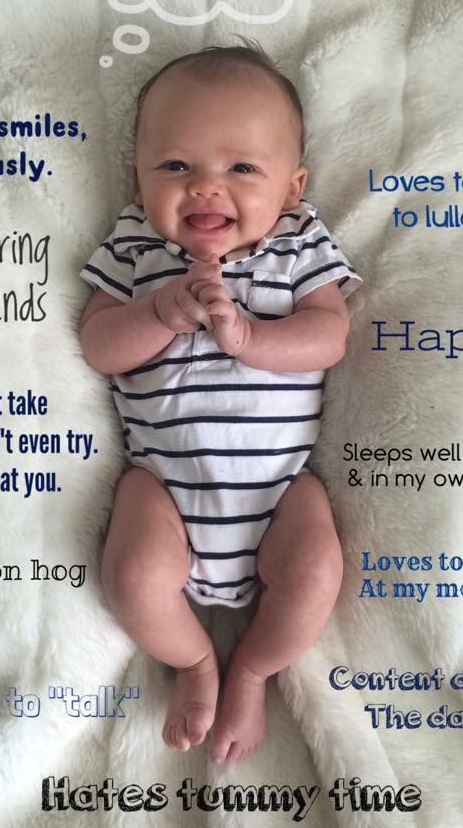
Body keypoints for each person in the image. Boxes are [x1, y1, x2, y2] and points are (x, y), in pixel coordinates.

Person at [78, 43, 362, 763]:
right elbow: (99, 345)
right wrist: (161, 315)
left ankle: (255, 669)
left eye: (241, 168)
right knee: (134, 577)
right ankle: (198, 662)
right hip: (162, 490)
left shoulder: (298, 245)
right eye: (176, 166)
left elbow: (328, 336)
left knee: (315, 571)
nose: (206, 188)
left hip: (278, 492)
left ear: (292, 188)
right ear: (138, 183)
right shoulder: (136, 244)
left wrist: (250, 340)